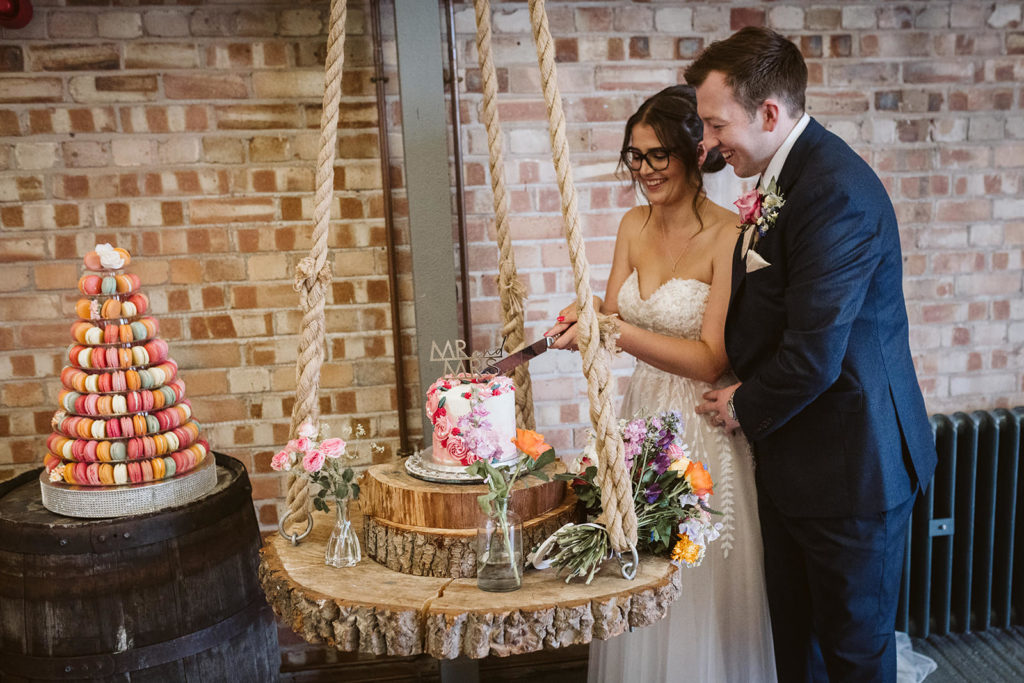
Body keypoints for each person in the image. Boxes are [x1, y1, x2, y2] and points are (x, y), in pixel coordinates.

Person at [688, 27, 937, 682]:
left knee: (854, 658)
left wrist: (742, 401)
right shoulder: (785, 176)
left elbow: (815, 352)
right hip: (801, 463)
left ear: (769, 114)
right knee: (799, 654)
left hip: (853, 470)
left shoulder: (833, 190)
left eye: (716, 125)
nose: (708, 144)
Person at [545, 85, 777, 683]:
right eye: (635, 156)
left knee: (694, 576)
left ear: (696, 153)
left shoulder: (730, 235)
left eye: (657, 156)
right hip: (643, 414)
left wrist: (610, 329)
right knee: (640, 561)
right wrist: (583, 312)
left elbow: (709, 357)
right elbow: (619, 309)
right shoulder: (631, 225)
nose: (644, 171)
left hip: (702, 422)